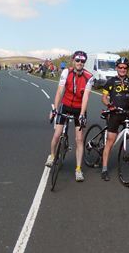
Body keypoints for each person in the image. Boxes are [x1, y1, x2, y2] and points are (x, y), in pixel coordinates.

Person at [45, 50, 94, 182]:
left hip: (79, 109)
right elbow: (60, 91)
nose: (80, 63)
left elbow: (86, 97)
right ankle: (52, 155)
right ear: (73, 61)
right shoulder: (66, 72)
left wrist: (83, 114)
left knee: (79, 139)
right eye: (77, 60)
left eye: (82, 61)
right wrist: (55, 108)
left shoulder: (89, 77)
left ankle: (78, 169)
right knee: (57, 134)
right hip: (65, 105)